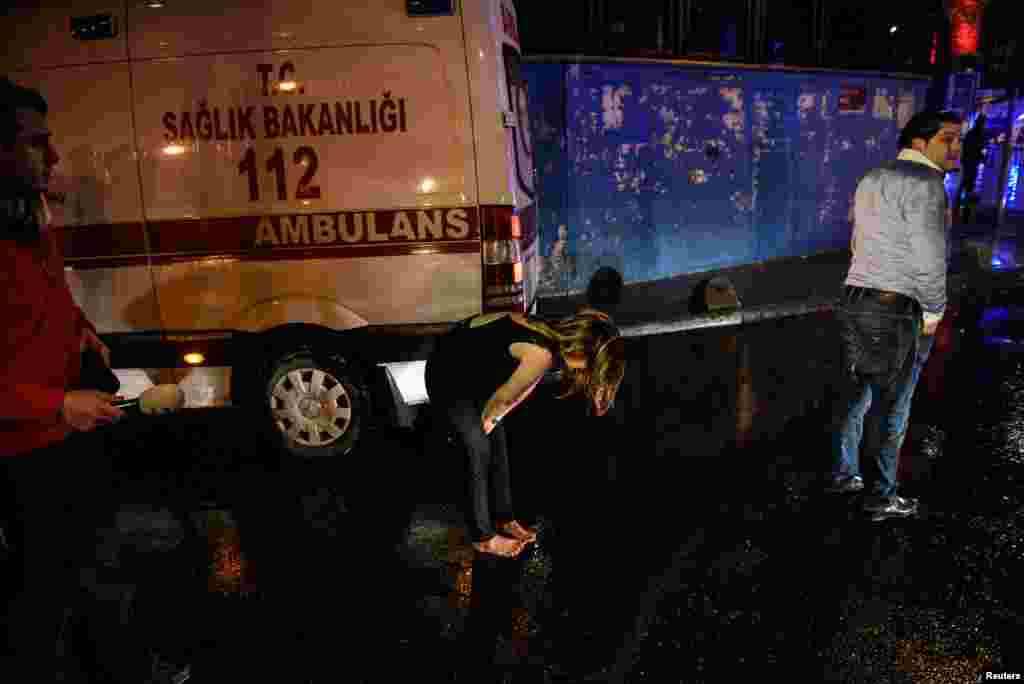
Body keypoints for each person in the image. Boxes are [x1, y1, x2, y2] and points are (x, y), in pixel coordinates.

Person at [0, 77, 191, 683]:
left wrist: (82, 330)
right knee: (46, 590)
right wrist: (56, 404)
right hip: (22, 450)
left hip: (64, 437)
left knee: (95, 564)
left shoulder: (28, 217)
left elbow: (47, 295)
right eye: (36, 144)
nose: (53, 158)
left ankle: (118, 665)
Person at [827, 110, 960, 522]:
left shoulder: (873, 177)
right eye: (948, 139)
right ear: (920, 142)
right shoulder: (928, 184)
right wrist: (935, 309)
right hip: (900, 306)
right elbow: (930, 255)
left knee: (857, 393)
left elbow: (857, 239)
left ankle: (844, 473)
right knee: (894, 405)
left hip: (857, 296)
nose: (957, 149)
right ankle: (882, 496)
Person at [425, 310, 625, 557]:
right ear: (583, 353)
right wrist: (480, 427)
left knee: (496, 440)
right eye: (591, 368)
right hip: (447, 374)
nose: (585, 373)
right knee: (478, 447)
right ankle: (482, 537)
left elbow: (523, 388)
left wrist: (492, 421)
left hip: (473, 374)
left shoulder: (549, 333)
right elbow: (503, 399)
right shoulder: (541, 354)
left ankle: (504, 517)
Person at [955, 112, 986, 223]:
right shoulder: (979, 135)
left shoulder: (970, 133)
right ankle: (964, 206)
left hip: (968, 161)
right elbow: (980, 149)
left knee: (965, 182)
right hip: (972, 162)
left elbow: (966, 147)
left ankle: (958, 203)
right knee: (969, 183)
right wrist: (982, 157)